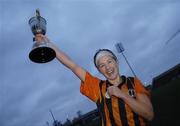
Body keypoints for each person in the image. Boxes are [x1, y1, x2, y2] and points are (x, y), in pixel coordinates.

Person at [35, 34, 154, 126]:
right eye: (102, 65)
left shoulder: (133, 82)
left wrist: (122, 95)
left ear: (116, 61)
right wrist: (48, 43)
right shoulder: (98, 87)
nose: (107, 67)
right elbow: (73, 65)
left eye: (109, 61)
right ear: (99, 70)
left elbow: (149, 115)